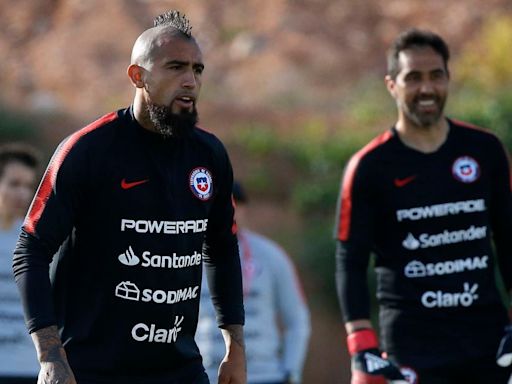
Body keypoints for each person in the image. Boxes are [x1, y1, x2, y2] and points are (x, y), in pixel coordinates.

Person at [12, 10, 246, 384]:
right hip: (91, 369)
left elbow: (221, 247)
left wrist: (235, 346)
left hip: (180, 369)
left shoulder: (210, 155)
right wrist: (50, 356)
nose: (190, 81)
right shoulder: (87, 151)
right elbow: (31, 250)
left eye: (198, 70)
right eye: (175, 67)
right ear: (138, 75)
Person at [334, 28, 512, 384]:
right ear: (392, 85)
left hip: (488, 344)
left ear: (448, 79)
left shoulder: (485, 150)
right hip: (411, 350)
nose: (427, 89)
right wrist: (361, 349)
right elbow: (349, 261)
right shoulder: (369, 166)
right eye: (413, 78)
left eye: (436, 76)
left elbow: (508, 238)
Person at [196, 181, 311, 384]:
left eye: (233, 205)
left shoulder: (271, 255)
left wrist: (291, 372)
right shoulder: (186, 256)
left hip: (265, 375)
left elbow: (297, 319)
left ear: (244, 209)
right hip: (207, 375)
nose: (225, 212)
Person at [0, 143, 40, 383]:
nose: (23, 194)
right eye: (14, 184)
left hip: (29, 368)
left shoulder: (37, 240)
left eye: (28, 186)